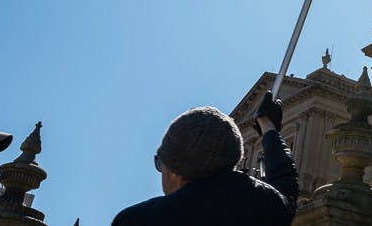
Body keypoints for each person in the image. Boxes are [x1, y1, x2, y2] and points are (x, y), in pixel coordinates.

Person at [112, 91, 298, 225]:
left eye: (160, 162)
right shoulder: (268, 207)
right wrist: (268, 127)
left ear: (176, 170)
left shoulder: (138, 220)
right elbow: (286, 184)